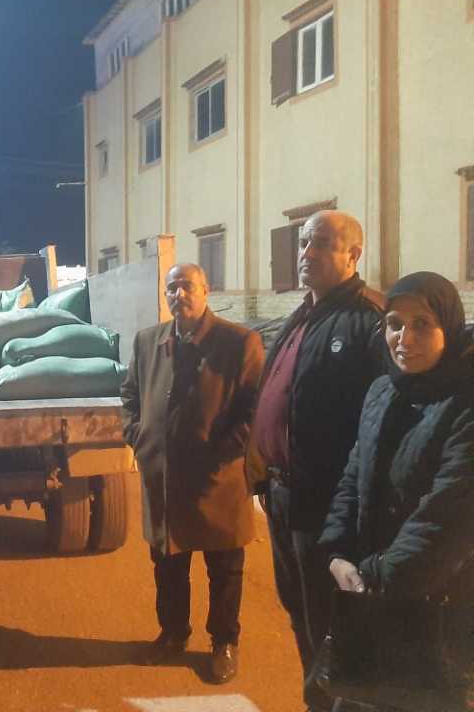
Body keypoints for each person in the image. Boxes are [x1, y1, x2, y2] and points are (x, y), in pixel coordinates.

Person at [245, 211, 385, 711]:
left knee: (330, 619)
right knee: (299, 609)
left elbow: (384, 419)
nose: (307, 253)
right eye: (304, 242)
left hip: (328, 504)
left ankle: (332, 704)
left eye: (322, 243)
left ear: (353, 255)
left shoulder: (368, 321)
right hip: (283, 496)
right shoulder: (303, 315)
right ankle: (319, 701)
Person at [319, 271, 474, 711]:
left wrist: (373, 575)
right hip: (372, 595)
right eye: (394, 324)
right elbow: (353, 476)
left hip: (438, 610)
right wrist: (336, 553)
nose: (404, 338)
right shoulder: (382, 390)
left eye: (422, 324)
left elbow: (446, 518)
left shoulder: (465, 404)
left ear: (449, 327)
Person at [121, 263, 264, 684]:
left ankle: (224, 643)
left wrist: (224, 451)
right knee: (168, 565)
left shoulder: (238, 342)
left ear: (206, 290)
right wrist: (138, 435)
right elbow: (129, 395)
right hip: (163, 478)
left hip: (217, 478)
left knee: (224, 568)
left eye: (187, 286)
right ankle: (173, 634)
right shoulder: (148, 341)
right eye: (172, 288)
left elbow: (255, 409)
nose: (178, 294)